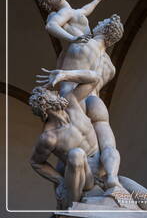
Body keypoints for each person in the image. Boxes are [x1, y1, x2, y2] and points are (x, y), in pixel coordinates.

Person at [37, 14, 124, 189]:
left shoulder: (82, 42)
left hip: (73, 97)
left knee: (70, 154)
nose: (98, 22)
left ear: (104, 28)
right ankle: (112, 177)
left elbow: (53, 24)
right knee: (108, 144)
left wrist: (68, 22)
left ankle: (76, 192)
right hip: (95, 100)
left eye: (102, 21)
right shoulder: (111, 67)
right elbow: (96, 79)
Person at [30, 69, 106, 209]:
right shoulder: (49, 137)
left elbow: (95, 78)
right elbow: (36, 162)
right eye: (51, 93)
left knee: (145, 200)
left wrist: (65, 74)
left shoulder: (70, 101)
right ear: (44, 102)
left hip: (102, 167)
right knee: (76, 154)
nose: (55, 92)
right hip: (85, 176)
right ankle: (73, 205)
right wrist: (60, 181)